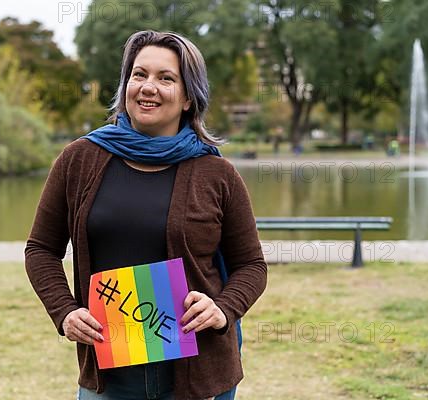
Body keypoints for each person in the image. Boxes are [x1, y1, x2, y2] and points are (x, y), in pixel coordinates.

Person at [24, 30, 268, 400]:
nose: (147, 87)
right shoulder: (79, 159)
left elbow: (251, 265)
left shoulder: (217, 174)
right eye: (139, 75)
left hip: (198, 375)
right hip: (109, 374)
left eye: (165, 78)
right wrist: (65, 311)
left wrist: (222, 308)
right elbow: (41, 249)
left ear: (189, 97)